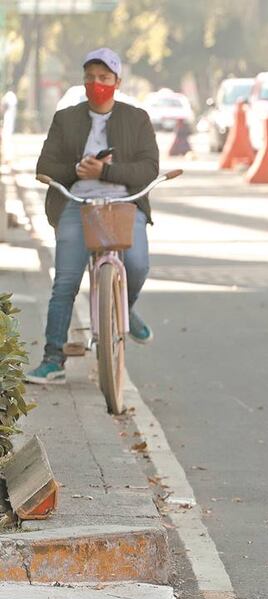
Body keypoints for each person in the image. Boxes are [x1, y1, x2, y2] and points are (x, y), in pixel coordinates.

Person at [26, 47, 159, 385]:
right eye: (90, 78)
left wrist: (107, 171)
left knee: (138, 265)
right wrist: (76, 170)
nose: (96, 84)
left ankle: (124, 310)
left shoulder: (136, 118)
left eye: (103, 78)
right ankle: (52, 359)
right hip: (76, 204)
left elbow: (149, 169)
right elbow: (45, 167)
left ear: (117, 81)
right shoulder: (65, 118)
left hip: (125, 203)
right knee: (65, 283)